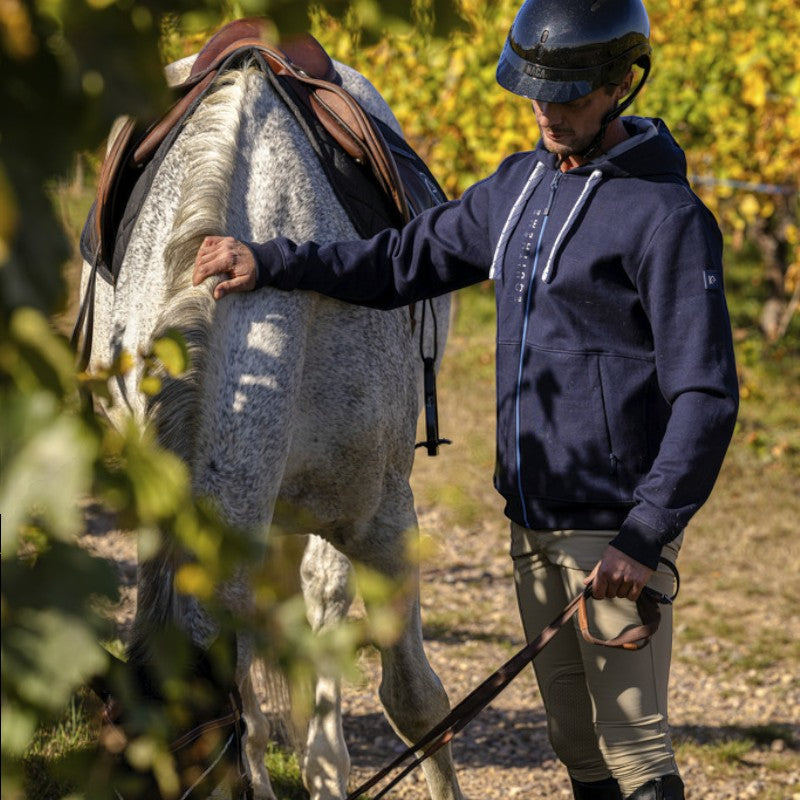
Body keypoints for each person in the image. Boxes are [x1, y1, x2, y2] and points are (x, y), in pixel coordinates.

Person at [192, 1, 739, 797]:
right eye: (537, 94)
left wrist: (645, 534)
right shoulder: (519, 188)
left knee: (636, 750)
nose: (549, 113)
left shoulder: (670, 219)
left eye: (572, 96)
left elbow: (705, 395)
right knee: (576, 747)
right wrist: (269, 260)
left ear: (623, 84)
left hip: (613, 537)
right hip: (531, 526)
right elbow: (397, 262)